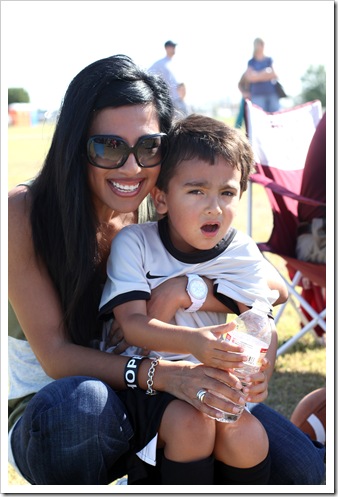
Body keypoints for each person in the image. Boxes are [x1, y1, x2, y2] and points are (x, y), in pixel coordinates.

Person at [7, 54, 325, 486]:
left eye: (148, 146)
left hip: (173, 385)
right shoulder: (22, 214)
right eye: (107, 147)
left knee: (305, 474)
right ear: (75, 145)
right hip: (69, 402)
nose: (132, 166)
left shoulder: (156, 209)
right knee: (78, 412)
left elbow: (273, 286)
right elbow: (57, 356)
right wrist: (168, 374)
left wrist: (188, 289)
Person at [99, 114, 284, 484]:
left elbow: (262, 325)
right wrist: (195, 344)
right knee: (191, 425)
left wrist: (265, 366)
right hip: (149, 382)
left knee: (249, 436)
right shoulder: (135, 243)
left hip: (214, 383)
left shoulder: (242, 252)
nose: (214, 206)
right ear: (162, 199)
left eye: (227, 193)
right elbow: (132, 326)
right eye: (197, 191)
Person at [149, 40, 188, 118]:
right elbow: (149, 75)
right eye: (172, 46)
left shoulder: (176, 62)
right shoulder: (160, 64)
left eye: (174, 47)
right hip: (170, 101)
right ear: (167, 48)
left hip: (180, 100)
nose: (174, 48)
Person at [243, 38, 280, 113]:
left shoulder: (269, 59)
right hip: (257, 95)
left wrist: (256, 75)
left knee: (275, 116)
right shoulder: (251, 62)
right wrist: (265, 73)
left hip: (271, 93)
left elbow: (274, 74)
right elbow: (249, 78)